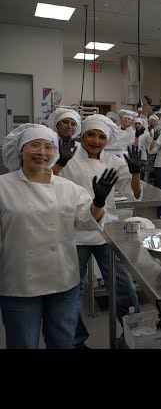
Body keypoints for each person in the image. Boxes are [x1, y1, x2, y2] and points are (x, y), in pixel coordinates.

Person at [0, 123, 117, 349]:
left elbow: (86, 220)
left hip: (63, 279)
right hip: (19, 282)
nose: (41, 153)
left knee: (63, 341)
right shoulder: (3, 186)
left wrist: (98, 202)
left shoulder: (67, 188)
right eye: (34, 146)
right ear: (20, 151)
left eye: (48, 147)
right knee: (23, 343)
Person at [55, 114, 142, 349]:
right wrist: (60, 163)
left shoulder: (114, 162)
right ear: (82, 136)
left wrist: (135, 172)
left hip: (106, 231)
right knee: (73, 291)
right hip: (74, 232)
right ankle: (76, 341)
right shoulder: (69, 159)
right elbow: (46, 186)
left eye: (101, 136)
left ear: (107, 140)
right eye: (90, 135)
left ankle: (134, 334)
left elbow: (134, 193)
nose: (96, 140)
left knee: (123, 286)